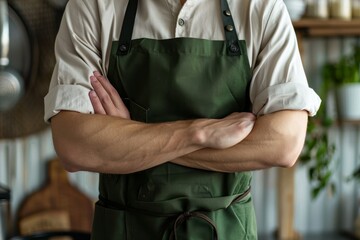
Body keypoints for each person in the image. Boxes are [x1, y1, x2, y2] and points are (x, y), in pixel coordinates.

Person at [44, 0, 321, 239]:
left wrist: (131, 136)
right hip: (127, 229)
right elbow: (73, 145)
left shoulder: (261, 8)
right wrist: (196, 133)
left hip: (226, 230)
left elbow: (283, 143)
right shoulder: (92, 6)